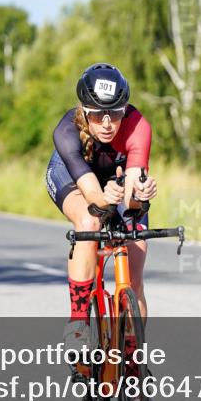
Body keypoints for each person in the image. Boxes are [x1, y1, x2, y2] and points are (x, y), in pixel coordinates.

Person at [46, 64, 158, 354]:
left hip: (115, 180)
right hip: (74, 177)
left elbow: (132, 200)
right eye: (97, 114)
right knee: (89, 221)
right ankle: (79, 321)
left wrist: (141, 195)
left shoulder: (139, 127)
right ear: (84, 111)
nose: (107, 123)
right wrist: (105, 200)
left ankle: (133, 361)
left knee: (135, 271)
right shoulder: (67, 131)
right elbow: (94, 197)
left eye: (115, 113)